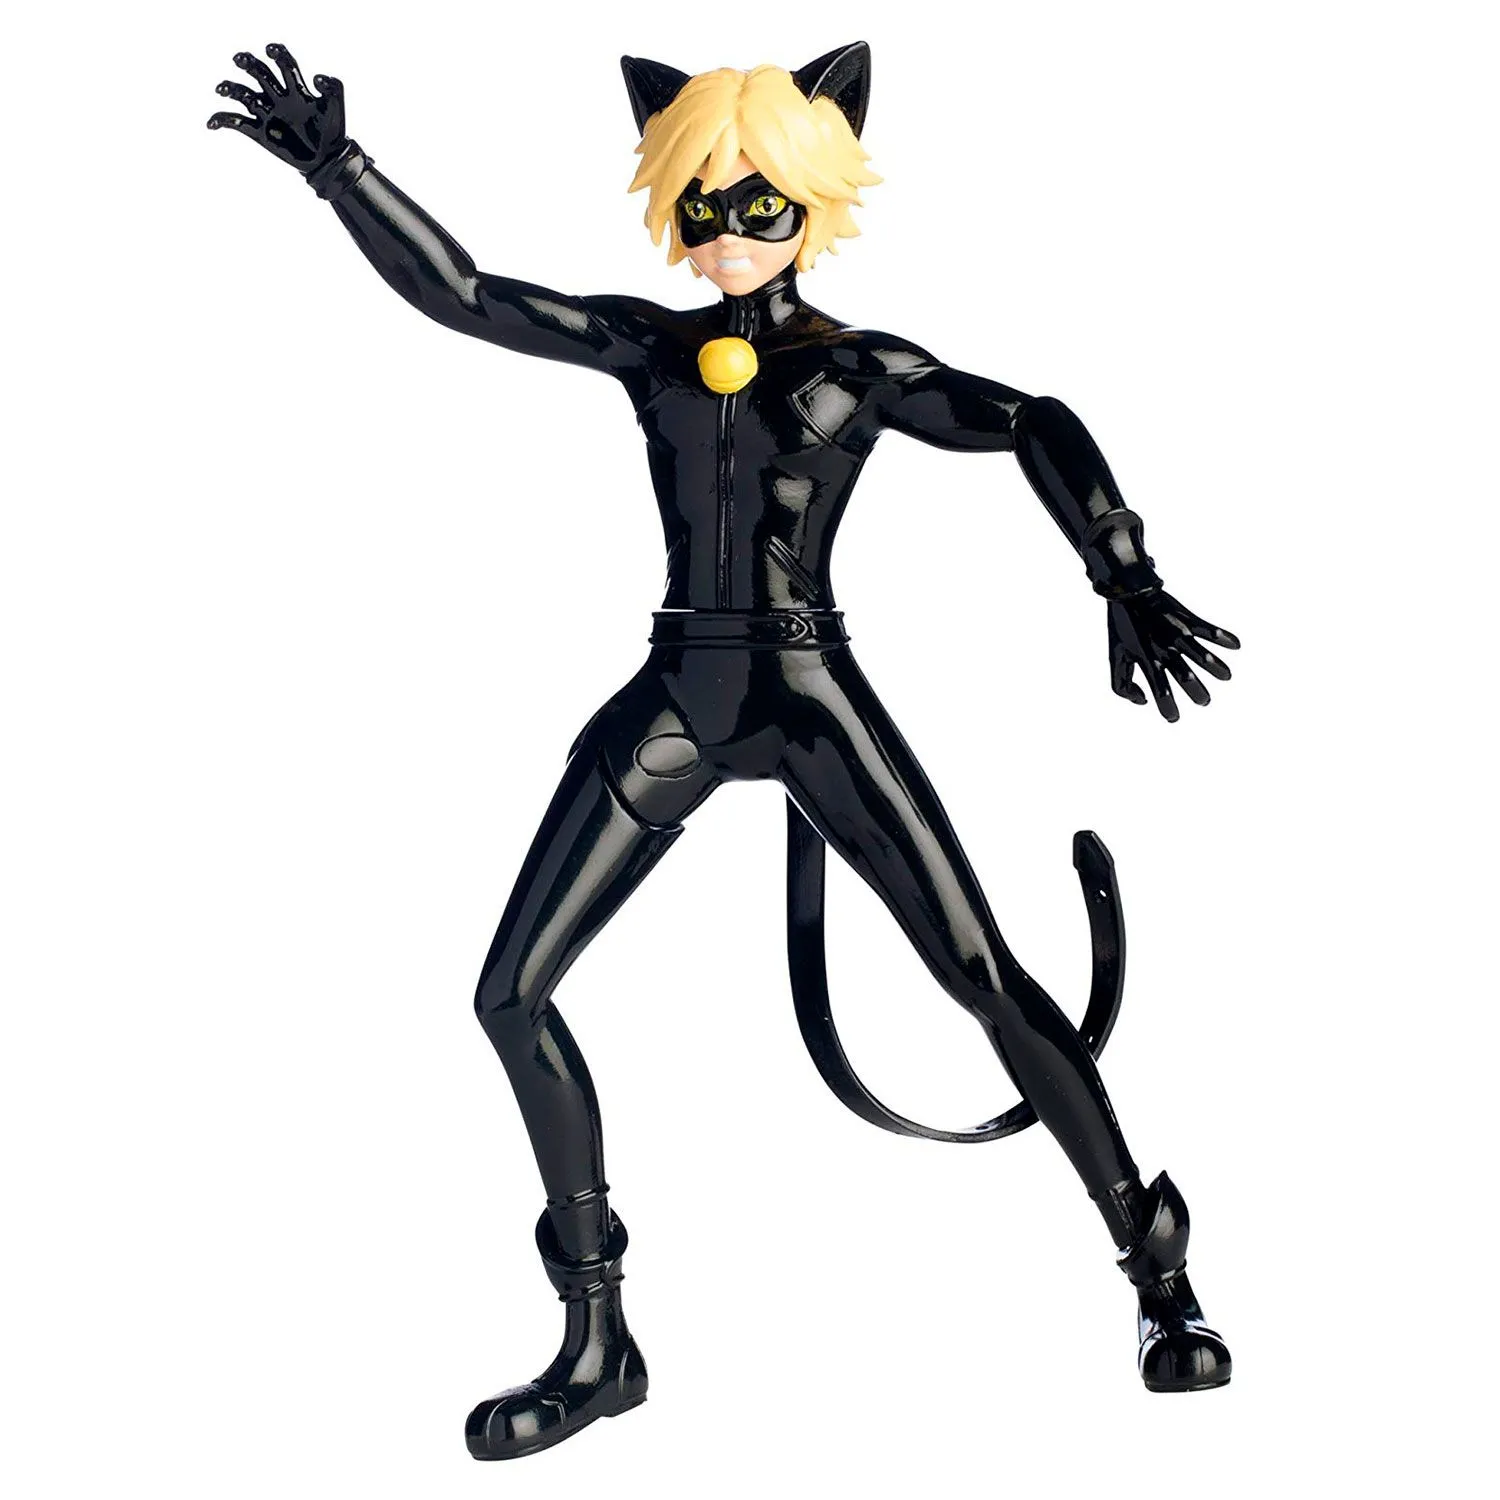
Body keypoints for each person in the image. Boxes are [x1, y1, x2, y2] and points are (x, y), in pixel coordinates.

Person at [209, 40, 1239, 1460]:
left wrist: (1120, 567)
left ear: (815, 201)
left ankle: (1159, 1274)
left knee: (981, 977)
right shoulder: (653, 347)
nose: (731, 230)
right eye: (704, 204)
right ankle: (599, 1341)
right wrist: (343, 172)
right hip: (683, 689)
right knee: (510, 993)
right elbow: (468, 295)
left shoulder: (859, 368)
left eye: (762, 203)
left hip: (807, 691)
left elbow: (1028, 420)